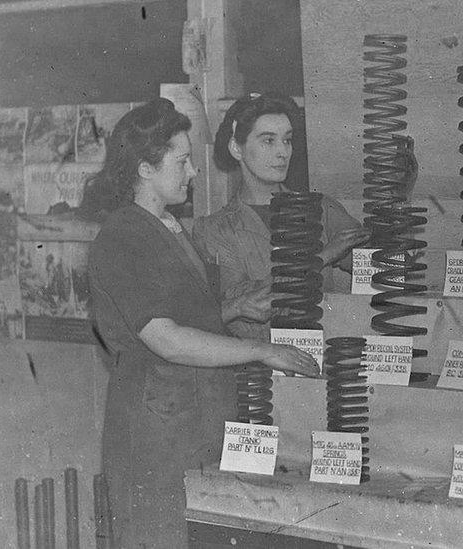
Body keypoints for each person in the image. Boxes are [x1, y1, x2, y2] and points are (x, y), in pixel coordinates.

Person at [84, 98, 320, 548]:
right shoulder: (123, 237)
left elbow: (181, 312)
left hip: (198, 423)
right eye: (182, 160)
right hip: (157, 435)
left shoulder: (170, 226)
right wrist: (262, 350)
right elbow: (166, 338)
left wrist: (234, 308)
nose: (193, 172)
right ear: (145, 168)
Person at [193, 92, 371, 341]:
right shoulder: (215, 230)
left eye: (287, 140)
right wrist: (325, 255)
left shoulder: (322, 208)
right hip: (263, 371)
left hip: (330, 360)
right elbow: (252, 312)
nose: (282, 152)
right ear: (236, 148)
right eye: (268, 141)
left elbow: (380, 267)